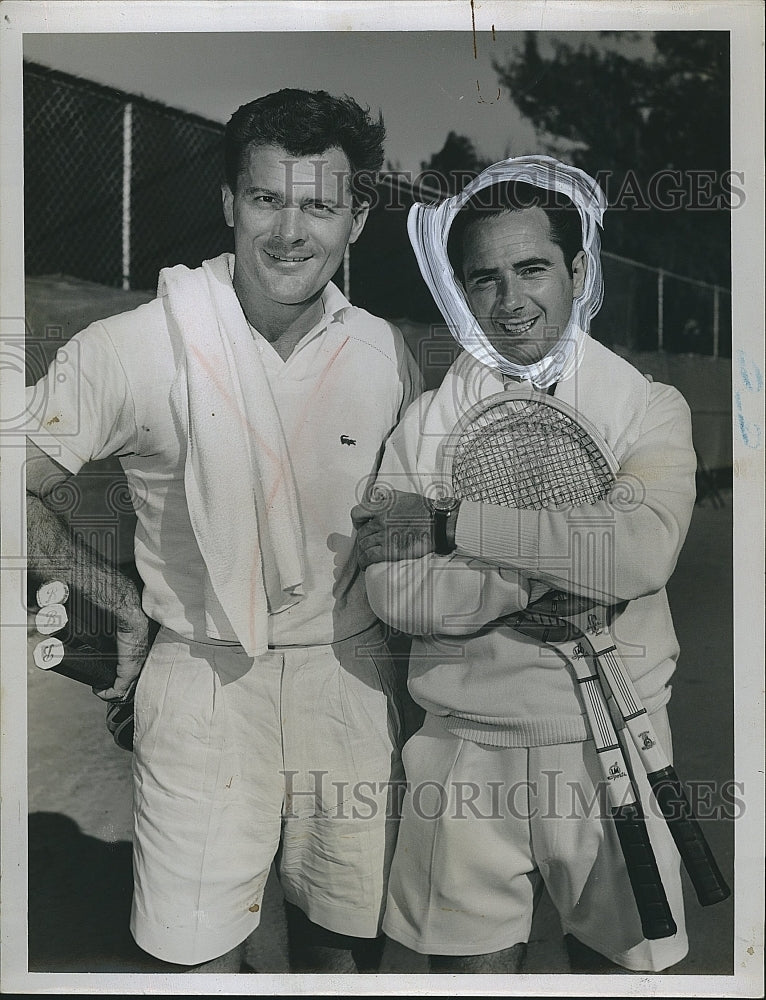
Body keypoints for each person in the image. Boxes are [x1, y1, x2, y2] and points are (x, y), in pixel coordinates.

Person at [24, 88, 422, 974]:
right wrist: (118, 602)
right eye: (267, 198)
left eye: (320, 204)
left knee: (344, 953)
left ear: (356, 219)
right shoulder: (135, 345)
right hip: (200, 677)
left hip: (346, 678)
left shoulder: (384, 352)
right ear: (227, 203)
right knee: (195, 961)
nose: (290, 231)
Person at [352, 156, 697, 974]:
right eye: (485, 279)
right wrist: (550, 567)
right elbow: (391, 585)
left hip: (614, 748)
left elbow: (641, 549)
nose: (510, 303)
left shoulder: (649, 407)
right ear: (463, 290)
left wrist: (451, 525)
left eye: (533, 268)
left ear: (578, 270)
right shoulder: (427, 423)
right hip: (460, 753)